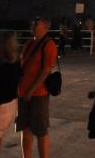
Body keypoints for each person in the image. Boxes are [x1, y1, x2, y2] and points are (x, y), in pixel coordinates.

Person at [17, 16, 58, 158]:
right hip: (23, 92)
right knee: (25, 128)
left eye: (37, 23)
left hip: (39, 93)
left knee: (40, 130)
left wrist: (31, 90)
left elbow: (46, 70)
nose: (33, 25)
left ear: (46, 26)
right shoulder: (28, 43)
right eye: (33, 22)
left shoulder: (49, 45)